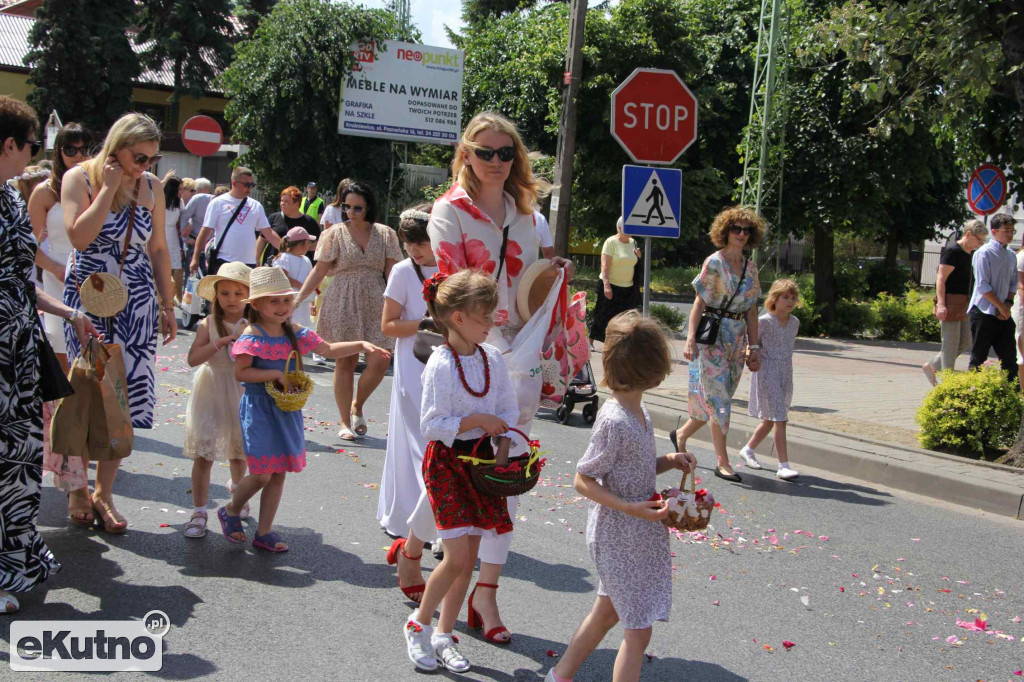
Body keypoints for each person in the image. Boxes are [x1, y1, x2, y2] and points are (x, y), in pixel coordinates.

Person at [427, 110, 574, 644]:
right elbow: (449, 289)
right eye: (484, 152)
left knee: (504, 469)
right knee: (457, 463)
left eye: (505, 152)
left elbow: (535, 282)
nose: (495, 161)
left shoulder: (530, 216)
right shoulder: (450, 212)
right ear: (465, 153)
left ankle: (485, 590)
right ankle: (419, 541)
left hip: (523, 355)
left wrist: (555, 271)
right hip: (475, 355)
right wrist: (485, 347)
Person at [545, 311, 694, 682]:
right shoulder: (614, 419)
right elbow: (583, 479)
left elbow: (635, 468)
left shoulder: (638, 409)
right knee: (638, 629)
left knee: (607, 612)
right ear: (650, 368)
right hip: (618, 534)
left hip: (636, 530)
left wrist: (669, 461)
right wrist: (629, 507)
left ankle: (559, 676)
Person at [0, 96, 101, 614]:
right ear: (11, 144)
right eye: (30, 145)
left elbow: (19, 283)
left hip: (18, 350)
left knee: (16, 462)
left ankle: (10, 564)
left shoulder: (10, 200)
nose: (32, 156)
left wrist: (68, 312)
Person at [61, 111, 178, 533]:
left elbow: (160, 248)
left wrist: (168, 304)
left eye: (152, 158)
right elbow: (78, 237)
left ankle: (103, 494)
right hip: (89, 300)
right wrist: (108, 188)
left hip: (137, 302)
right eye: (139, 157)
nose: (146, 166)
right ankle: (76, 486)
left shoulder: (151, 187)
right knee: (86, 392)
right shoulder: (80, 179)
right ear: (117, 147)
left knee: (122, 401)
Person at [218, 266, 390, 552]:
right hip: (260, 409)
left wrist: (361, 344)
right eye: (274, 301)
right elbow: (241, 373)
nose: (282, 306)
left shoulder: (295, 332)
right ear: (256, 304)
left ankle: (264, 532)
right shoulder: (252, 333)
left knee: (279, 471)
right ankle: (232, 509)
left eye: (286, 300)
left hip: (286, 410)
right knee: (261, 473)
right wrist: (275, 375)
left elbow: (328, 350)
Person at [403, 269, 519, 673]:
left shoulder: (491, 358)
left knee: (468, 556)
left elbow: (508, 407)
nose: (491, 324)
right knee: (455, 557)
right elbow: (433, 425)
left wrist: (502, 445)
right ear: (458, 318)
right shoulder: (441, 363)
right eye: (484, 317)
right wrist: (478, 421)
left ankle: (443, 634)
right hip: (448, 464)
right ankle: (417, 625)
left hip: (481, 463)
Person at [295, 181, 402, 441]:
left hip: (378, 299)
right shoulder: (332, 234)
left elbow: (392, 273)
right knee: (345, 361)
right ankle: (344, 421)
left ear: (368, 208)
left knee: (381, 359)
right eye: (347, 207)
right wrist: (299, 298)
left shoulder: (386, 234)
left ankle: (358, 405)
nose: (351, 213)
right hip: (343, 298)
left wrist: (404, 302)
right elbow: (319, 270)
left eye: (357, 208)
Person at [672, 206, 763, 483]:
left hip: (737, 339)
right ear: (725, 232)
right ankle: (722, 463)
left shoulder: (750, 267)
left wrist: (754, 347)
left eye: (746, 230)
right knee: (720, 400)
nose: (741, 235)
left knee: (715, 398)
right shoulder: (714, 263)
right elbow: (699, 302)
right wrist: (689, 338)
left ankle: (680, 434)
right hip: (712, 337)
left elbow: (751, 310)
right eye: (736, 229)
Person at [29, 123, 92, 512]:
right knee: (64, 392)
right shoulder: (44, 192)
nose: (79, 155)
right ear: (58, 151)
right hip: (55, 288)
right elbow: (30, 247)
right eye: (71, 149)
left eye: (86, 148)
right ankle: (74, 483)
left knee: (86, 390)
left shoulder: (94, 188)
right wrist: (57, 270)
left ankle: (83, 477)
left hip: (94, 289)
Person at [379, 205, 439, 603]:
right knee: (422, 446)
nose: (415, 250)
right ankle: (428, 526)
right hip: (412, 366)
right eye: (409, 244)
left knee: (436, 445)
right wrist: (426, 324)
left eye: (421, 243)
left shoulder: (454, 266)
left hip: (447, 366)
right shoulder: (402, 272)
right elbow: (388, 325)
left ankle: (427, 524)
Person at [181, 262, 252, 539]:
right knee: (204, 453)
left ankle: (237, 495)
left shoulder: (253, 324)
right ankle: (199, 510)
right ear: (216, 296)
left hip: (241, 389)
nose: (231, 299)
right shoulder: (208, 324)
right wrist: (218, 343)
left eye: (238, 293)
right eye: (225, 293)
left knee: (238, 450)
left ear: (248, 296)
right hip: (211, 388)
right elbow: (192, 359)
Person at [739, 279, 802, 480]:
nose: (790, 301)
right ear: (774, 299)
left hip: (785, 373)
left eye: (793, 298)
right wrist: (751, 359)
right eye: (785, 297)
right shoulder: (764, 321)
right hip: (767, 372)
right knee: (780, 419)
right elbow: (753, 343)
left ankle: (747, 449)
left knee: (770, 418)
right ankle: (783, 465)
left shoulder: (794, 323)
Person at [923, 219, 988, 384]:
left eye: (983, 241)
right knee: (950, 345)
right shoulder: (953, 252)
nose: (980, 244)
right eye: (979, 240)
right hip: (951, 303)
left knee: (966, 341)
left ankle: (931, 366)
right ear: (968, 234)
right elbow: (940, 279)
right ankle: (948, 385)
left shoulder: (972, 254)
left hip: (965, 305)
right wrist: (941, 304)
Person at [191, 167, 281, 274]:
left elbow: (268, 232)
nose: (249, 188)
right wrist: (195, 257)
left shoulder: (256, 206)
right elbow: (205, 231)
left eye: (252, 185)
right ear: (234, 183)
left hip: (248, 262)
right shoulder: (218, 203)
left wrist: (287, 250)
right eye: (246, 185)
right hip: (224, 261)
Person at [968, 212, 1017, 381]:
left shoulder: (1011, 255)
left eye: (1012, 231)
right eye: (1006, 231)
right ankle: (972, 397)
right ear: (995, 231)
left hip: (1003, 313)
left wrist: (1007, 304)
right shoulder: (983, 253)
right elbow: (982, 285)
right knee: (978, 359)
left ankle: (1011, 398)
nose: (1010, 234)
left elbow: (1013, 283)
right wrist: (1000, 307)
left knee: (1010, 359)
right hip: (983, 311)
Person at [590, 216, 642, 344]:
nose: (629, 231)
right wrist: (606, 285)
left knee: (623, 316)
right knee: (602, 314)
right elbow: (604, 266)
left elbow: (635, 263)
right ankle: (590, 341)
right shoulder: (611, 242)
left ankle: (618, 342)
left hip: (628, 286)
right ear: (619, 228)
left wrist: (639, 257)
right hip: (610, 284)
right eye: (626, 228)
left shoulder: (633, 243)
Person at [257, 185, 320, 266]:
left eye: (286, 201)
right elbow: (262, 239)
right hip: (273, 264)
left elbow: (317, 245)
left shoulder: (310, 222)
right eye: (281, 201)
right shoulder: (274, 218)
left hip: (298, 267)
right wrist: (257, 259)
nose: (282, 204)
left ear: (297, 204)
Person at [273, 226, 316, 327]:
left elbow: (310, 278)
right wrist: (299, 285)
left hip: (304, 302)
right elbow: (280, 277)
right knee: (290, 325)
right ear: (300, 244)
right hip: (288, 300)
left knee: (304, 326)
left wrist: (311, 303)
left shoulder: (306, 260)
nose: (309, 245)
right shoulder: (284, 258)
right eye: (308, 242)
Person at [180, 177, 213, 275]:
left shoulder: (200, 198)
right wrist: (185, 238)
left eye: (194, 190)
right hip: (195, 242)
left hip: (210, 244)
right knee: (192, 275)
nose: (193, 193)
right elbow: (184, 217)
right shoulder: (196, 199)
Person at [163, 175, 185, 302]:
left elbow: (184, 217)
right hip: (160, 231)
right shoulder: (161, 198)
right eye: (179, 189)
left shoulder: (179, 202)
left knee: (172, 267)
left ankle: (168, 296)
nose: (181, 192)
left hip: (172, 235)